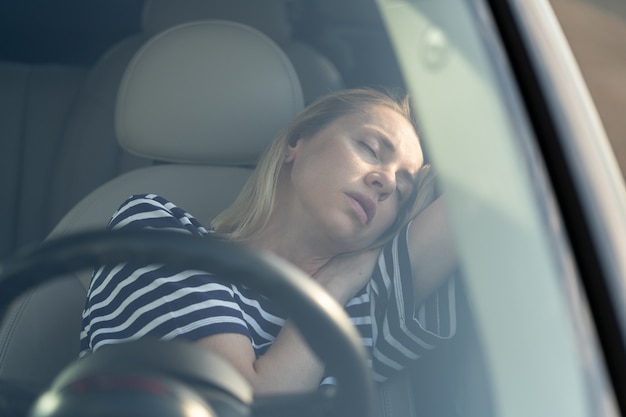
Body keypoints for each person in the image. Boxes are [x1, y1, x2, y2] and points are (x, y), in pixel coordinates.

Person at [79, 88, 457, 395]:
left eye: (403, 190)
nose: (387, 182)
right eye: (370, 148)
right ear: (297, 142)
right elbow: (245, 403)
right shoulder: (155, 230)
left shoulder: (366, 305)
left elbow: (493, 189)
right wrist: (329, 288)